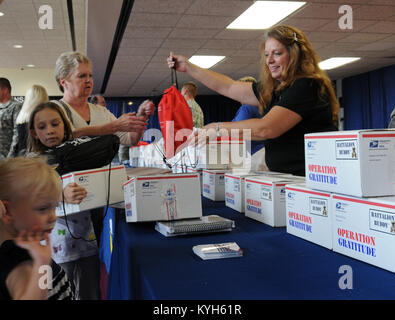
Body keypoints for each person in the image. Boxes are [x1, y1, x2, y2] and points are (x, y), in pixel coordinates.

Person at [168, 25, 339, 176]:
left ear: (295, 55)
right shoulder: (275, 89)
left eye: (277, 54)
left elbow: (267, 128)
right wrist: (188, 67)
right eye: (266, 54)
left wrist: (217, 127)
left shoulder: (307, 86)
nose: (269, 60)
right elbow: (228, 87)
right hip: (287, 178)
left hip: (310, 181)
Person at [27, 101, 99, 300]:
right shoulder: (32, 162)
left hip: (85, 240)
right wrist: (59, 194)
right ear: (34, 132)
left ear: (65, 126)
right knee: (55, 295)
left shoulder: (79, 154)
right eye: (42, 127)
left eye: (55, 124)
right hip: (52, 248)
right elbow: (29, 197)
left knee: (89, 292)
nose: (50, 131)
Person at [0, 157, 74, 300]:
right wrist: (42, 262)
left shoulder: (27, 250)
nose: (53, 217)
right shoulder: (15, 257)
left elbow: (46, 288)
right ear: (8, 211)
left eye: (55, 207)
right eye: (43, 209)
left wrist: (43, 264)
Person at [8, 84, 49, 157]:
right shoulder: (44, 119)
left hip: (22, 156)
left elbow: (16, 142)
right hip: (40, 156)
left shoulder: (21, 116)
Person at [232, 76, 265, 155]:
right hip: (262, 153)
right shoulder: (263, 107)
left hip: (251, 155)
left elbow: (237, 131)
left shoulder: (246, 108)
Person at [0, 78, 22, 160]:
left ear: (5, 90)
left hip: (7, 156)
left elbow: (17, 132)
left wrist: (11, 156)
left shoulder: (16, 106)